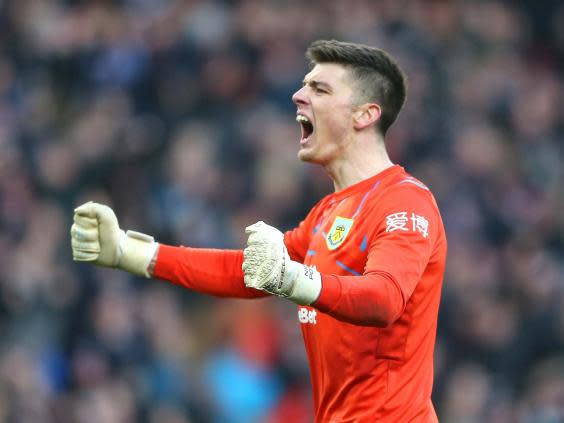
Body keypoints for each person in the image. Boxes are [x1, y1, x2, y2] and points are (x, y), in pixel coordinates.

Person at [71, 39, 447, 422]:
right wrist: (131, 253)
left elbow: (383, 299)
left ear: (364, 115)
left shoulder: (405, 202)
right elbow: (247, 273)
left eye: (320, 89)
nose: (299, 95)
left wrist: (292, 277)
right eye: (304, 85)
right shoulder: (327, 213)